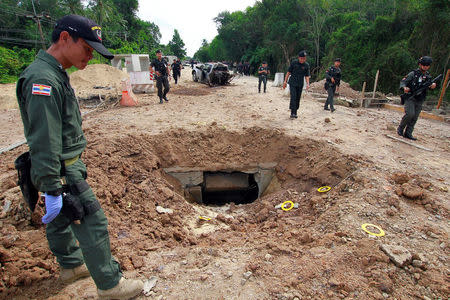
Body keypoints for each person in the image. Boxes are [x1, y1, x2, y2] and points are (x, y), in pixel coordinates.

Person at [15, 15, 143, 299]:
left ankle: (71, 265)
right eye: (87, 48)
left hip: (59, 166)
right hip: (60, 169)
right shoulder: (43, 79)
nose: (90, 56)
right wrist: (52, 185)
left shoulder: (55, 73)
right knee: (92, 221)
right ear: (64, 38)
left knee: (59, 218)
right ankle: (111, 285)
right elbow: (45, 138)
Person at [397, 56, 437, 140]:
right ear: (420, 64)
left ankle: (408, 133)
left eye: (427, 65)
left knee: (415, 117)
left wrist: (432, 86)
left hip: (420, 98)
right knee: (410, 114)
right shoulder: (413, 74)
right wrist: (404, 88)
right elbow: (403, 81)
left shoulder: (428, 76)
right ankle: (401, 128)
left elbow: (429, 86)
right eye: (423, 65)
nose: (425, 67)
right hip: (411, 96)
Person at [283, 50, 310, 118]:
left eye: (304, 58)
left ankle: (295, 111)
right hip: (292, 83)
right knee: (293, 97)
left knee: (298, 98)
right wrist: (285, 81)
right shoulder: (294, 63)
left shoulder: (306, 65)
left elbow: (307, 76)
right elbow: (288, 72)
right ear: (298, 58)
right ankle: (292, 113)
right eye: (301, 58)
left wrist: (307, 84)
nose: (302, 60)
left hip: (300, 84)